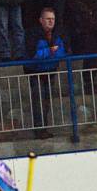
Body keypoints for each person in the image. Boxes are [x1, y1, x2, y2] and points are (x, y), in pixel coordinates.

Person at [25, 7, 69, 139]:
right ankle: (39, 129)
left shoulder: (57, 33)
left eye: (53, 19)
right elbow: (32, 55)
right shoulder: (32, 34)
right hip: (36, 73)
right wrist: (50, 52)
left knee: (47, 101)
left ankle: (44, 128)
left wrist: (49, 54)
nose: (51, 22)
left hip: (50, 71)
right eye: (48, 19)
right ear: (41, 20)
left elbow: (63, 51)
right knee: (38, 101)